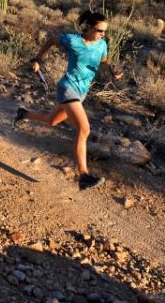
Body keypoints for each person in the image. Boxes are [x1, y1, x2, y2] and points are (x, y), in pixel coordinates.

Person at [13, 10, 122, 190]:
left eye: (105, 31)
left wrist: (112, 68)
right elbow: (52, 40)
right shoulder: (73, 40)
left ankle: (23, 114)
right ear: (88, 28)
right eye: (99, 30)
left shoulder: (102, 44)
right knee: (84, 129)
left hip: (81, 92)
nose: (103, 34)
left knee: (52, 120)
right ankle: (84, 175)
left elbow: (103, 59)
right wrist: (38, 59)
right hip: (67, 87)